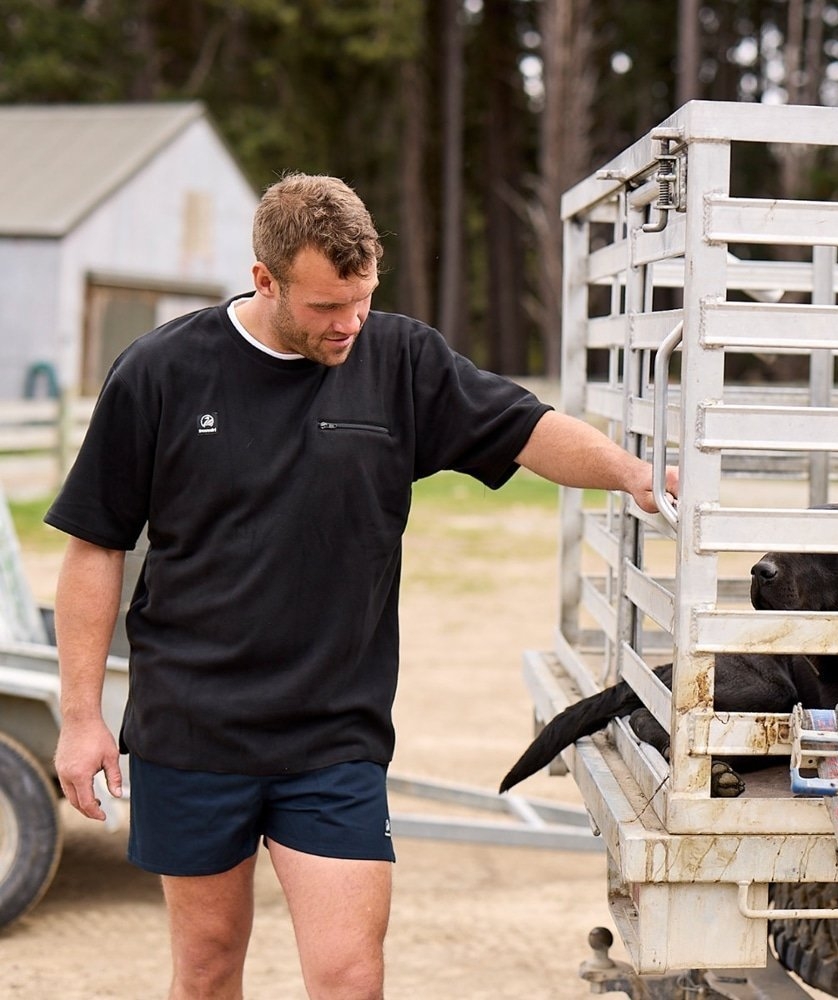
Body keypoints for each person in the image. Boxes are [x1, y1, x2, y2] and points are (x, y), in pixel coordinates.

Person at [48, 172, 679, 1000]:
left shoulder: (401, 359)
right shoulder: (162, 371)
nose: (348, 323)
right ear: (265, 278)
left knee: (351, 978)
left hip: (332, 734)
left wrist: (633, 474)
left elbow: (525, 429)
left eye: (362, 299)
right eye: (323, 308)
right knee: (205, 970)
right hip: (191, 729)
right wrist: (82, 716)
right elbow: (94, 545)